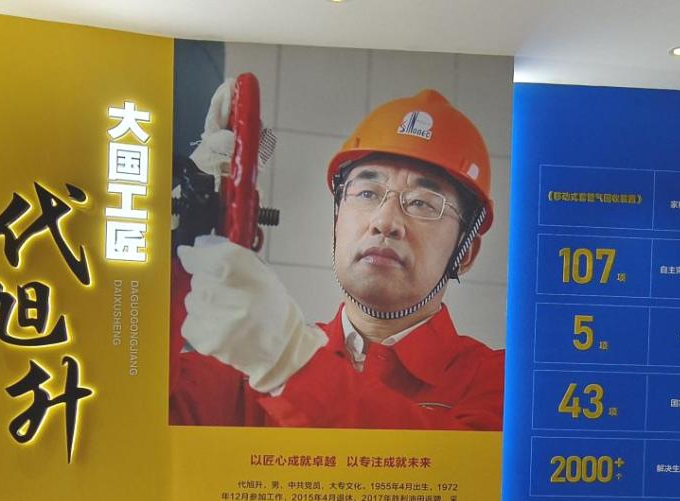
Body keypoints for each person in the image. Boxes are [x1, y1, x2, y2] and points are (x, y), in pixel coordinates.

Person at [169, 83, 504, 430]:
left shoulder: (502, 382)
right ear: (336, 222)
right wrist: (178, 249)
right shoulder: (247, 364)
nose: (384, 222)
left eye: (423, 203)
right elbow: (144, 410)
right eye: (367, 192)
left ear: (465, 252)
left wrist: (291, 368)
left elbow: (450, 462)